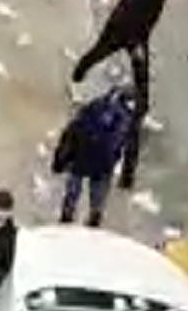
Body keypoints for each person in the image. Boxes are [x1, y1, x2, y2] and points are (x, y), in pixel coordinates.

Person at [70, 0, 182, 188]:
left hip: (138, 38)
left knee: (141, 96)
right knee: (99, 52)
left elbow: (145, 22)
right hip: (122, 34)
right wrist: (136, 47)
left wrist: (140, 43)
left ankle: (129, 170)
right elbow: (127, 19)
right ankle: (80, 71)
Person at [51, 85, 136, 226]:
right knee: (97, 196)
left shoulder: (96, 105)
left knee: (73, 191)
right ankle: (92, 220)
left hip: (81, 156)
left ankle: (67, 217)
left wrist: (60, 158)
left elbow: (72, 130)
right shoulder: (125, 118)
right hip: (102, 163)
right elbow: (124, 146)